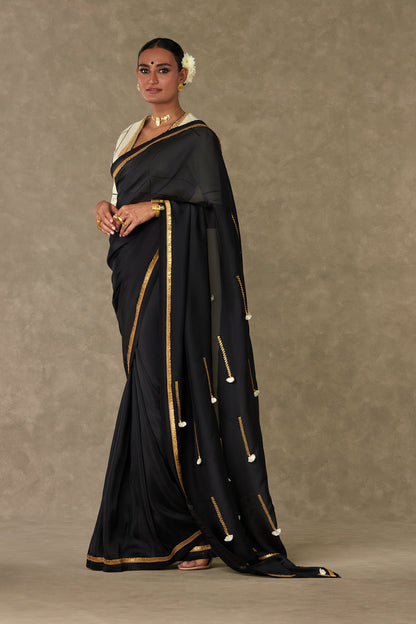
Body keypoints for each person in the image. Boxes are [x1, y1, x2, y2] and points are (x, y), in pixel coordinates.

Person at [86, 37, 338, 578]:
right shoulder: (128, 135)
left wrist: (158, 208)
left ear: (183, 75)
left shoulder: (198, 137)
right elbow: (121, 193)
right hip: (134, 273)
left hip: (177, 281)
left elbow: (215, 215)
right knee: (147, 392)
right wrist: (106, 207)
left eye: (163, 69)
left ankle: (197, 529)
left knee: (173, 390)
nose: (152, 78)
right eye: (143, 69)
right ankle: (158, 528)